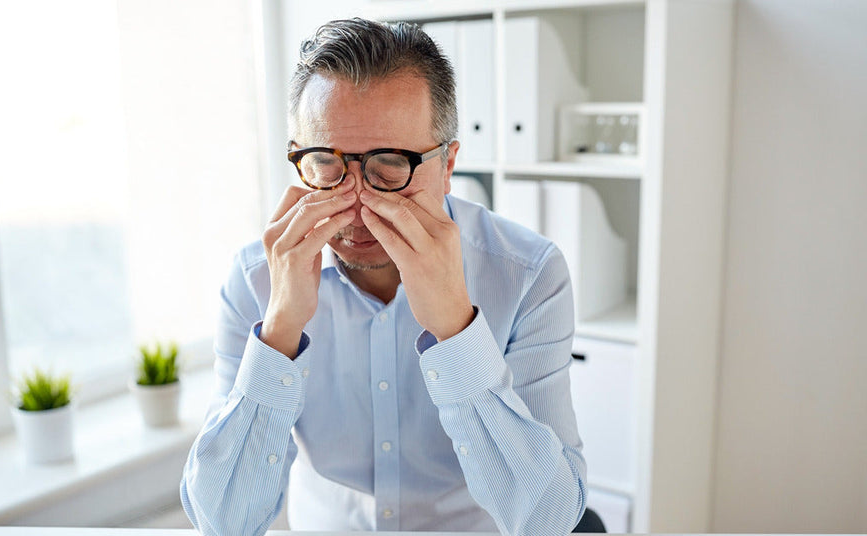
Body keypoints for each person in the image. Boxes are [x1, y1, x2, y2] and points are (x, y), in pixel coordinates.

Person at [180, 18, 586, 536]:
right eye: (326, 163)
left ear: (448, 164)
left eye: (391, 165)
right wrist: (280, 333)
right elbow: (223, 523)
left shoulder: (529, 275)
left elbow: (548, 521)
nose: (356, 205)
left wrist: (457, 331)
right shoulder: (255, 279)